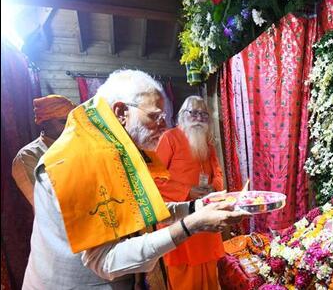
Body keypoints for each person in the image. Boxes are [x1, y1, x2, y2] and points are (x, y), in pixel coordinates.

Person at [22, 70, 249, 289]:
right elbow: (104, 261)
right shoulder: (79, 158)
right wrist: (190, 225)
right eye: (154, 116)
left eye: (164, 117)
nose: (163, 126)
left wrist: (194, 206)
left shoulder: (115, 145)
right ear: (121, 112)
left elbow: (136, 209)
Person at [155, 96, 225, 289]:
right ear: (182, 115)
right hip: (179, 218)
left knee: (210, 271)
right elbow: (154, 179)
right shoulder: (169, 138)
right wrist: (187, 191)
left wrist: (214, 186)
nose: (198, 117)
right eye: (193, 112)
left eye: (203, 114)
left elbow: (217, 172)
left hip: (205, 216)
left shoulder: (208, 143)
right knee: (184, 274)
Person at [11, 94, 76, 207]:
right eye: (63, 121)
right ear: (44, 122)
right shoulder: (27, 156)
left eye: (73, 120)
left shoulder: (78, 145)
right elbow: (44, 204)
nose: (71, 125)